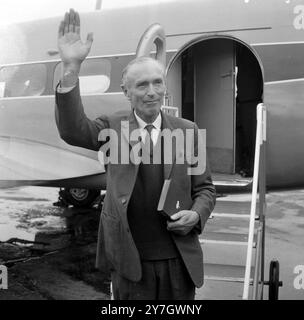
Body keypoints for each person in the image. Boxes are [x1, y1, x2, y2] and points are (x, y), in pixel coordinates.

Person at [55, 9, 216, 300]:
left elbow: (205, 189)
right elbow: (72, 130)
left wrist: (197, 214)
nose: (152, 92)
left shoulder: (188, 130)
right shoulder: (113, 128)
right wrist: (70, 69)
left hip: (178, 261)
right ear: (126, 92)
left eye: (158, 83)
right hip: (131, 262)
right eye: (142, 85)